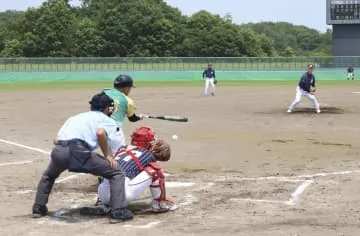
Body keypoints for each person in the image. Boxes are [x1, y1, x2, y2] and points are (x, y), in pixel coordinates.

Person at [31, 92, 133, 224]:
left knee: (48, 176)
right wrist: (107, 155)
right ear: (107, 108)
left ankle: (38, 208)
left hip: (59, 151)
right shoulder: (108, 120)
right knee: (116, 172)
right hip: (79, 152)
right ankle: (119, 211)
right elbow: (100, 133)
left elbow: (56, 140)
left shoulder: (75, 117)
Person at [81, 126, 177, 216]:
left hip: (103, 193)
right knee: (156, 170)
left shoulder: (122, 149)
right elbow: (164, 157)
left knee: (111, 169)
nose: (154, 142)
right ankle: (160, 204)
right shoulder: (148, 155)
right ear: (147, 143)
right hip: (122, 194)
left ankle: (102, 204)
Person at [103, 74, 144, 152]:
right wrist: (140, 117)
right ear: (126, 88)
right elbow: (132, 118)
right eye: (129, 88)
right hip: (114, 132)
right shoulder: (128, 101)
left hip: (99, 131)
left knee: (108, 157)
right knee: (119, 156)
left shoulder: (104, 93)